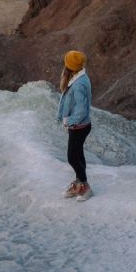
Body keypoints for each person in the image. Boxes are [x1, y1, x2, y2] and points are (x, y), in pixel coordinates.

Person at [57, 50, 92, 201]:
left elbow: (82, 110)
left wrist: (68, 121)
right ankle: (79, 183)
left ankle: (84, 185)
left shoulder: (78, 84)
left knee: (72, 157)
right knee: (78, 154)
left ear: (70, 66)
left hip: (79, 126)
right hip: (79, 126)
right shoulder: (79, 77)